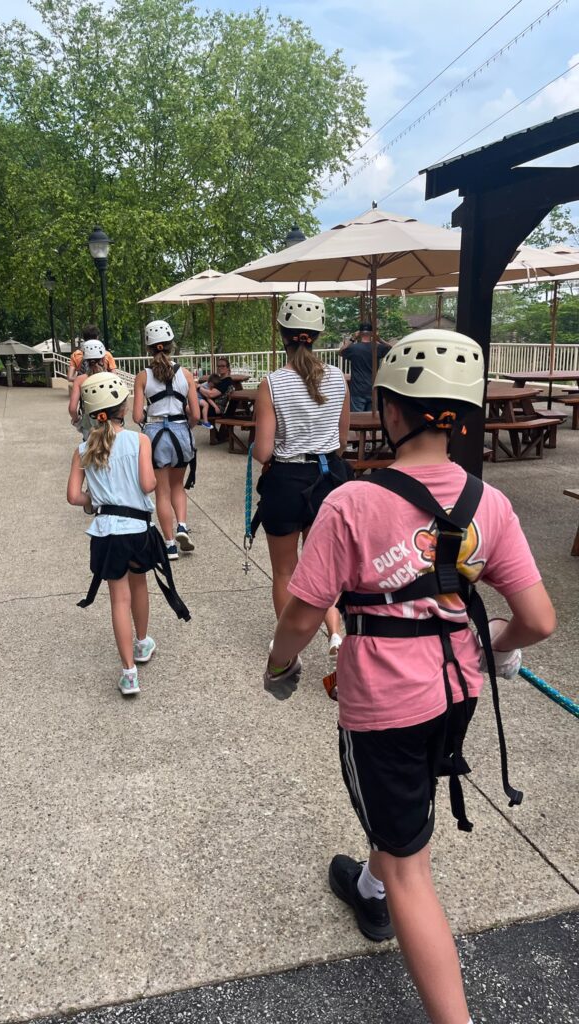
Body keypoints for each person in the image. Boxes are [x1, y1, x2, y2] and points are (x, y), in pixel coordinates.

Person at [263, 329, 556, 1024]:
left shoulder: (352, 504)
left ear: (391, 410)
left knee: (410, 872)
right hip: (456, 692)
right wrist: (493, 645)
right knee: (407, 802)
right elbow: (538, 619)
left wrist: (279, 667)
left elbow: (302, 614)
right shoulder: (489, 502)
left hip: (385, 701)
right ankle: (369, 884)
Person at [67, 372, 190, 695]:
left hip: (106, 532)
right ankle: (142, 643)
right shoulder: (139, 441)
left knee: (118, 600)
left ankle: (129, 673)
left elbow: (74, 496)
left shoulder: (83, 449)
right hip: (137, 529)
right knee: (140, 587)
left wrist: (96, 499)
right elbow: (149, 484)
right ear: (123, 408)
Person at [252, 292, 350, 655]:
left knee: (285, 570)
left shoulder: (272, 383)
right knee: (323, 565)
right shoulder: (338, 379)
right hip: (329, 477)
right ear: (318, 334)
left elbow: (263, 451)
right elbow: (342, 441)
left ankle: (287, 646)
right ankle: (335, 632)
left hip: (287, 480)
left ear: (282, 333)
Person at [133, 320, 200, 561]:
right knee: (177, 486)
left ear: (148, 348)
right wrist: (185, 428)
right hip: (181, 431)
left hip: (155, 434)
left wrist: (150, 420)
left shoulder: (143, 376)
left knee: (162, 492)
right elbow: (196, 414)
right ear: (172, 345)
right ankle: (182, 525)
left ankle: (170, 545)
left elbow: (137, 416)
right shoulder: (186, 374)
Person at [339, 321, 391, 412]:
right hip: (373, 389)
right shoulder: (377, 348)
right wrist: (379, 339)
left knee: (357, 417)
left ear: (359, 333)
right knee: (371, 417)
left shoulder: (353, 348)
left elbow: (340, 351)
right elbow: (392, 349)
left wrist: (352, 338)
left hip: (357, 390)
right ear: (371, 333)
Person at [69, 340, 112, 440]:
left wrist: (77, 422)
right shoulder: (111, 378)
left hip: (89, 424)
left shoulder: (79, 380)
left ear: (85, 359)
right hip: (110, 423)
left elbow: (72, 409)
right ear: (103, 358)